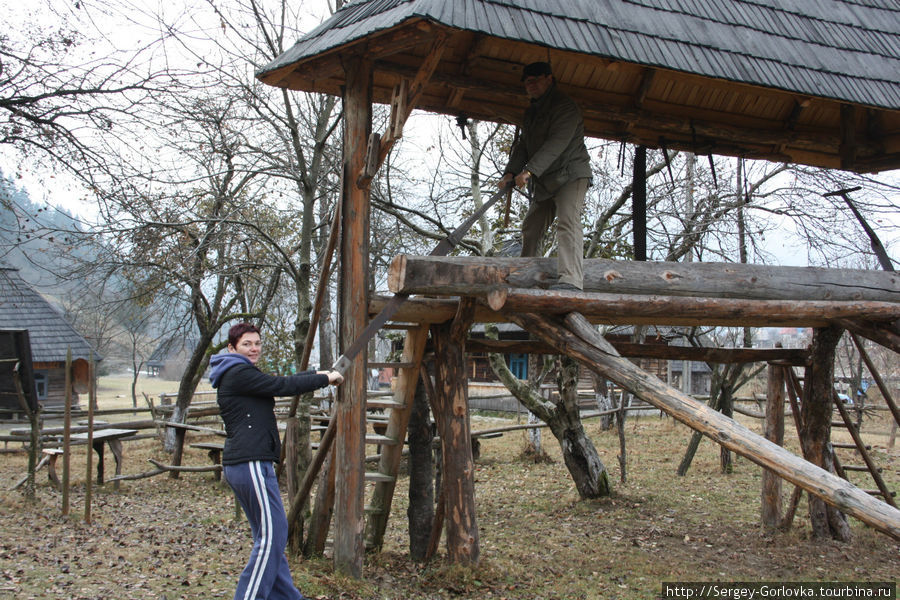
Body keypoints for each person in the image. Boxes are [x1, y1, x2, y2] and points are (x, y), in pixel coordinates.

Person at [209, 322, 343, 600]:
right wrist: (324, 379)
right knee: (275, 533)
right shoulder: (237, 372)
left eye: (257, 343)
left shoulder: (236, 372)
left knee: (269, 537)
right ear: (232, 348)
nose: (254, 348)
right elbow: (281, 385)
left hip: (244, 463)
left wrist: (321, 373)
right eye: (247, 344)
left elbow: (280, 380)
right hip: (251, 463)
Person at [499, 61, 592, 291]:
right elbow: (523, 145)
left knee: (568, 221)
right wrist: (510, 172)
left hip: (570, 175)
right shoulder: (531, 112)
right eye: (527, 82)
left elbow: (556, 144)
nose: (530, 86)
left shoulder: (565, 107)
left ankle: (571, 280)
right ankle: (524, 275)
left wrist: (529, 171)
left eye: (535, 80)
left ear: (549, 79)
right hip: (546, 179)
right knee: (532, 227)